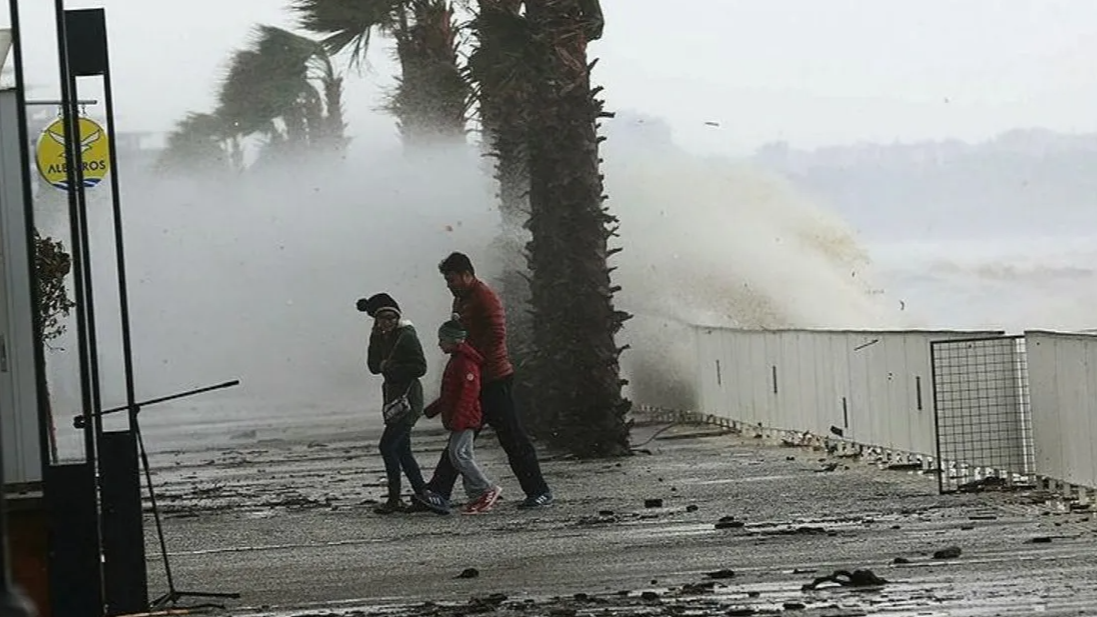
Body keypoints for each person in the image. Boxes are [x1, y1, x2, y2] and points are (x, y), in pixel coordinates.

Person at [413, 252, 553, 513]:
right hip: (473, 378)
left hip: (493, 379)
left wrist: (474, 363)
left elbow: (497, 334)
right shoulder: (461, 298)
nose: (449, 285)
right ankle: (437, 492)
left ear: (468, 274)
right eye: (446, 280)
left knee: (512, 438)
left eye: (452, 279)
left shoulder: (485, 297)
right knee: (460, 437)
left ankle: (539, 491)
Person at [424, 320, 502, 514]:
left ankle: (486, 489)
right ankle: (477, 494)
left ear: (453, 341)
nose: (439, 344)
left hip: (466, 418)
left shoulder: (465, 362)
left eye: (442, 340)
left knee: (459, 455)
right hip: (460, 418)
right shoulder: (457, 360)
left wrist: (459, 419)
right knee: (461, 454)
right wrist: (433, 409)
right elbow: (451, 392)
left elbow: (469, 394)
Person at [360, 293, 428, 514]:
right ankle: (423, 495)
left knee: (387, 446)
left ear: (397, 317)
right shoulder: (380, 337)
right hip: (393, 400)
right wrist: (375, 340)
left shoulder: (406, 336)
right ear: (376, 320)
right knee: (403, 450)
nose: (387, 322)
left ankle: (395, 498)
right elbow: (372, 366)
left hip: (409, 399)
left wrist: (389, 367)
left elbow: (420, 367)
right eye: (382, 318)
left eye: (391, 318)